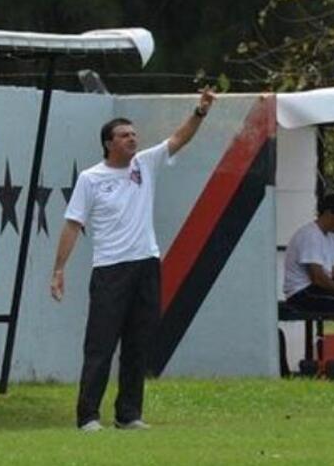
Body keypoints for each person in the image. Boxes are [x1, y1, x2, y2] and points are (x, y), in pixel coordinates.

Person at [50, 88, 216, 432]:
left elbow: (179, 139)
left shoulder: (145, 164)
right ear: (108, 143)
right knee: (101, 344)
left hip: (146, 265)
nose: (132, 140)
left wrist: (200, 111)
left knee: (138, 343)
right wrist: (59, 269)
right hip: (111, 269)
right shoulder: (91, 179)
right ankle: (88, 415)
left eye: (134, 135)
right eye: (124, 136)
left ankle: (128, 414)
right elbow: (72, 224)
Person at [283, 193, 334, 311]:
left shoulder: (328, 236)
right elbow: (318, 278)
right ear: (328, 214)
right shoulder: (310, 235)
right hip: (301, 293)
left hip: (315, 289)